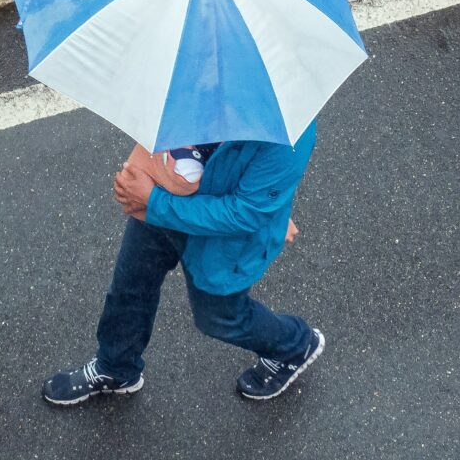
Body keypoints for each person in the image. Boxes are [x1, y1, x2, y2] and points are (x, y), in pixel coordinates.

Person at [43, 125, 320, 405]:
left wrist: (152, 200)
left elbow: (245, 214)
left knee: (219, 319)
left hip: (217, 237)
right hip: (167, 194)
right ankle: (115, 367)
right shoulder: (202, 83)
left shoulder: (290, 131)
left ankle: (295, 345)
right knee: (130, 288)